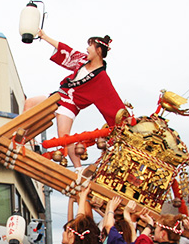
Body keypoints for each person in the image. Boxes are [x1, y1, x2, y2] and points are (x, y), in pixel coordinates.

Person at [23, 29, 126, 167]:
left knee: (64, 138)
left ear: (99, 51)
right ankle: (22, 139)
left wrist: (125, 121)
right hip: (59, 95)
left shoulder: (101, 78)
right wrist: (45, 36)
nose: (87, 48)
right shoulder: (83, 60)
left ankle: (78, 169)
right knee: (30, 103)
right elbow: (66, 50)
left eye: (90, 45)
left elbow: (111, 100)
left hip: (71, 104)